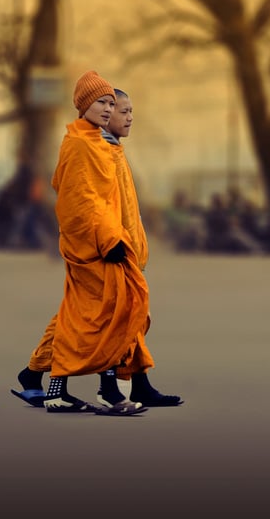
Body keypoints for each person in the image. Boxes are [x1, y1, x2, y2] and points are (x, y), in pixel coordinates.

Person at [12, 73, 178, 414]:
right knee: (96, 314)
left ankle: (114, 383)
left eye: (116, 106)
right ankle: (94, 387)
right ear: (84, 105)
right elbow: (84, 202)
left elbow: (119, 205)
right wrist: (108, 239)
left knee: (106, 311)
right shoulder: (83, 145)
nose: (119, 113)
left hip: (119, 244)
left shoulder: (106, 147)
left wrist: (133, 243)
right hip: (99, 246)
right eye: (110, 104)